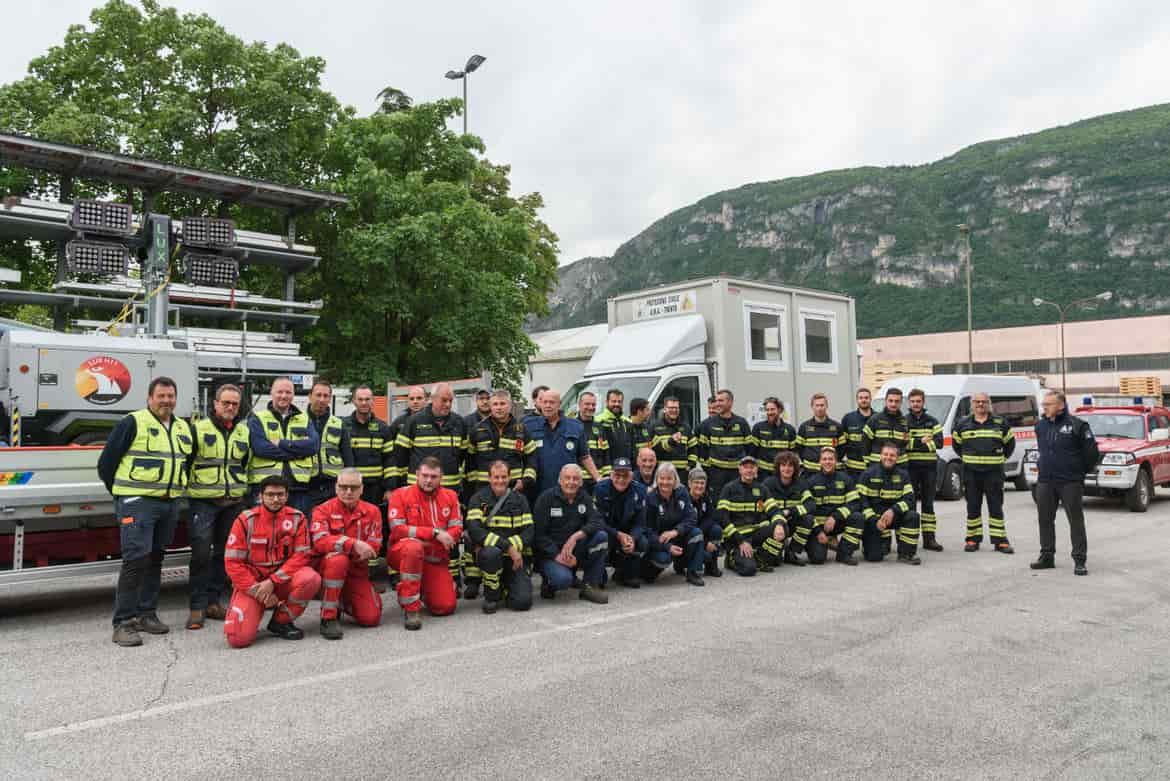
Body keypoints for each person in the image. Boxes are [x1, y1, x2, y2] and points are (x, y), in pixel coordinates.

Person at [98, 376, 195, 647]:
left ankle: (146, 614)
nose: (166, 401)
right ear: (150, 398)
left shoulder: (182, 428)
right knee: (135, 559)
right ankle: (123, 623)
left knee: (155, 558)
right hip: (138, 502)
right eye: (161, 396)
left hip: (169, 502)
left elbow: (185, 463)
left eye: (170, 396)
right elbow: (106, 463)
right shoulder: (133, 422)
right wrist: (124, 496)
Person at [223, 476, 321, 647]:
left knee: (311, 578)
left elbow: (301, 557)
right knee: (237, 640)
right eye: (270, 494)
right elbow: (232, 563)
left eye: (280, 494)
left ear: (287, 495)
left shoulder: (298, 519)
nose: (276, 499)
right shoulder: (245, 520)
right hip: (253, 585)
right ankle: (255, 610)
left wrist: (273, 581)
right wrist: (259, 592)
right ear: (261, 496)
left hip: (282, 580)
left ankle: (281, 621)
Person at [392, 382, 471, 590]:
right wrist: (397, 487)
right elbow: (400, 456)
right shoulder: (414, 422)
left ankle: (452, 577)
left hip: (449, 491)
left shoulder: (459, 423)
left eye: (450, 401)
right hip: (418, 492)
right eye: (444, 400)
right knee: (419, 535)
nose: (447, 404)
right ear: (432, 399)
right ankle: (415, 575)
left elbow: (463, 454)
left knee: (451, 534)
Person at [185, 383, 249, 630]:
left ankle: (214, 602)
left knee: (225, 555)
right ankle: (197, 607)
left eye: (234, 404)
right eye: (226, 403)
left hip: (233, 503)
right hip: (203, 502)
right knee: (200, 554)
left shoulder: (243, 432)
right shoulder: (197, 430)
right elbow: (185, 463)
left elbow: (246, 464)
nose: (230, 407)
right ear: (215, 404)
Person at [465, 390, 535, 598]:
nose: (498, 407)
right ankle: (473, 580)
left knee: (513, 529)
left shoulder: (522, 430)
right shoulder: (477, 429)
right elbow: (468, 460)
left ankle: (518, 571)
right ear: (489, 405)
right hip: (482, 489)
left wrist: (526, 479)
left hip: (513, 490)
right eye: (495, 404)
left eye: (503, 404)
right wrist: (472, 488)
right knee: (478, 536)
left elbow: (532, 458)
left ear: (510, 405)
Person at [386, 457, 462, 630]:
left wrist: (447, 536)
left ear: (441, 477)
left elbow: (456, 528)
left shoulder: (450, 496)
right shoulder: (400, 494)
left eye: (433, 476)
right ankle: (411, 608)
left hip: (435, 559)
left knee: (445, 607)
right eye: (425, 475)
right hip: (404, 554)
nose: (428, 480)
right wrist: (434, 534)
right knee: (414, 547)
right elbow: (398, 530)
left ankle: (421, 588)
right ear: (417, 475)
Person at [309, 467, 383, 640]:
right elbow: (320, 542)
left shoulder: (373, 511)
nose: (348, 492)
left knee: (371, 618)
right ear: (336, 488)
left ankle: (344, 600)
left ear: (362, 489)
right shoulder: (322, 510)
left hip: (356, 573)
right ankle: (328, 617)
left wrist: (339, 546)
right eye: (343, 487)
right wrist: (353, 544)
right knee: (338, 560)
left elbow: (374, 548)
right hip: (328, 568)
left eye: (354, 487)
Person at [1031, 390, 1099, 576]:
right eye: (1044, 404)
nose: (1045, 407)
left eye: (1049, 404)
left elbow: (1092, 455)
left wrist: (1077, 471)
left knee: (1075, 520)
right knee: (1045, 519)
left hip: (1070, 482)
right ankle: (1047, 556)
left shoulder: (1078, 426)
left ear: (1061, 405)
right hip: (1045, 480)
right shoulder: (1041, 426)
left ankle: (1079, 560)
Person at [532, 464, 609, 604]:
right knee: (563, 580)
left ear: (580, 482)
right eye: (567, 478)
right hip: (551, 554)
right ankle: (549, 582)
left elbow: (598, 521)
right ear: (560, 480)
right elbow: (538, 536)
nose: (571, 482)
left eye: (575, 479)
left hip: (574, 551)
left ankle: (590, 586)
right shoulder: (546, 498)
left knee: (601, 536)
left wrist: (577, 536)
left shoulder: (584, 497)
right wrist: (557, 556)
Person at [465, 460, 535, 612]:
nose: (500, 481)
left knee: (522, 603)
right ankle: (492, 595)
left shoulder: (520, 499)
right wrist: (508, 546)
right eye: (496, 477)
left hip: (514, 558)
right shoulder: (477, 499)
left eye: (504, 477)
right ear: (489, 478)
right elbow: (475, 530)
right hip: (491, 556)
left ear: (510, 477)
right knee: (491, 553)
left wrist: (512, 548)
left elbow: (529, 531)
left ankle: (506, 586)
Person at [952, 392, 1015, 554]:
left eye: (984, 402)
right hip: (971, 474)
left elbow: (1010, 445)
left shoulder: (1000, 423)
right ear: (972, 404)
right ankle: (973, 540)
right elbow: (957, 446)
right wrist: (970, 459)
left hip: (994, 473)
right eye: (977, 402)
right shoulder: (962, 423)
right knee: (973, 507)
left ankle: (1000, 541)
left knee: (996, 507)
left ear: (989, 404)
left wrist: (997, 459)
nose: (980, 404)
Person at [247, 376, 320, 514]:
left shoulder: (304, 419)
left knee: (298, 531)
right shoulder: (257, 418)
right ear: (271, 393)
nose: (284, 396)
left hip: (299, 489)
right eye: (280, 392)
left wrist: (281, 443)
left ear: (293, 395)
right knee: (263, 532)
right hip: (266, 489)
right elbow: (261, 449)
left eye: (288, 392)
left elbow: (313, 446)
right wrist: (299, 452)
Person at [525, 389, 600, 501]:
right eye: (544, 402)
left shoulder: (575, 426)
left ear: (560, 404)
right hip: (537, 490)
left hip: (568, 490)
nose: (547, 405)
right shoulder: (528, 425)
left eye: (551, 402)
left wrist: (598, 478)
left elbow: (584, 456)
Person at [718, 455, 786, 576]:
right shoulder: (729, 489)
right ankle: (731, 559)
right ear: (740, 470)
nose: (749, 470)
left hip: (755, 535)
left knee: (783, 527)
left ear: (756, 470)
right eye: (746, 467)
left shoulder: (762, 489)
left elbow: (774, 510)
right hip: (736, 538)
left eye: (752, 467)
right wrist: (740, 541)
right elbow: (722, 518)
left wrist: (779, 525)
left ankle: (760, 558)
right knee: (749, 570)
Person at [857, 442, 921, 564]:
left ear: (897, 458)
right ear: (880, 456)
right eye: (885, 454)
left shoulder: (903, 475)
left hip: (894, 516)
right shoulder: (867, 474)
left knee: (913, 516)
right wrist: (874, 519)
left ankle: (906, 554)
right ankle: (871, 547)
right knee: (874, 557)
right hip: (874, 519)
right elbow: (861, 501)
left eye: (892, 455)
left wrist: (893, 510)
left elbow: (910, 499)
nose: (888, 457)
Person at [643, 463, 705, 586]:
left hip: (676, 535)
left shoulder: (681, 492)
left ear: (675, 480)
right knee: (662, 561)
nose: (665, 482)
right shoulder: (650, 498)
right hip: (658, 541)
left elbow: (691, 517)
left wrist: (676, 531)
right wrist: (667, 547)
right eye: (662, 478)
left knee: (696, 533)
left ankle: (693, 572)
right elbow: (647, 531)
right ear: (656, 479)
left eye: (669, 478)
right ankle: (647, 570)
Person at [592, 456, 649, 588]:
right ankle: (599, 573)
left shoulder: (639, 490)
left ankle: (623, 573)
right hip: (607, 532)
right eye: (617, 475)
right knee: (600, 537)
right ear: (611, 475)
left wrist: (632, 538)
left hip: (627, 533)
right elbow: (597, 520)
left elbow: (640, 523)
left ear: (631, 476)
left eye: (625, 476)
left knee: (643, 543)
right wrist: (618, 534)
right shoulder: (600, 489)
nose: (621, 479)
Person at [806, 447, 864, 565]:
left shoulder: (846, 479)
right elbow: (807, 511)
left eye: (831, 459)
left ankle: (843, 554)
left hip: (837, 522)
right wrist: (818, 531)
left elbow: (854, 503)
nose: (828, 462)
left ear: (836, 461)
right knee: (817, 559)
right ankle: (821, 544)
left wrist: (835, 517)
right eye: (825, 459)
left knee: (857, 517)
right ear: (820, 462)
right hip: (818, 527)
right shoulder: (811, 482)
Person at [905, 388, 945, 552]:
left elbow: (940, 443)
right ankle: (911, 540)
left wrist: (914, 442)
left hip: (929, 469)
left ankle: (930, 540)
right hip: (910, 469)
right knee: (911, 506)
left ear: (923, 402)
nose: (916, 404)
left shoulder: (933, 421)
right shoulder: (904, 421)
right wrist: (924, 441)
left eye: (918, 401)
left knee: (928, 505)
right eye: (913, 401)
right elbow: (903, 443)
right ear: (909, 402)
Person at [304, 380, 353, 511]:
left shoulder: (338, 423)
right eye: (318, 395)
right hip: (306, 485)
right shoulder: (298, 421)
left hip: (332, 486)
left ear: (330, 398)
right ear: (310, 396)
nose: (322, 399)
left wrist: (348, 483)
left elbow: (347, 456)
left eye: (326, 396)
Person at [344, 384, 394, 507]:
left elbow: (390, 460)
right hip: (351, 487)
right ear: (354, 401)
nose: (364, 403)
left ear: (373, 401)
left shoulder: (383, 428)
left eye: (367, 399)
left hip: (376, 489)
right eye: (360, 399)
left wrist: (390, 488)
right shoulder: (343, 426)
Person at [696, 388, 752, 497]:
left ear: (730, 402)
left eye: (721, 401)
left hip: (737, 474)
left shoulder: (741, 423)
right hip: (716, 475)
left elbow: (749, 449)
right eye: (716, 401)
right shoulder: (708, 424)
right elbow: (703, 451)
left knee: (737, 503)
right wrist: (710, 472)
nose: (717, 404)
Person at [762, 451, 814, 567]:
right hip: (775, 524)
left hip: (791, 521)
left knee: (808, 519)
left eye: (790, 465)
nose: (787, 468)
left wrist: (791, 511)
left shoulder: (801, 484)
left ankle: (792, 552)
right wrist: (778, 517)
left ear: (795, 468)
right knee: (775, 562)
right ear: (778, 467)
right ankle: (777, 549)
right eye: (783, 465)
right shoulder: (768, 483)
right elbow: (762, 508)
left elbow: (810, 504)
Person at [385, 385, 427, 486]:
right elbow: (391, 452)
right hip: (403, 477)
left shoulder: (433, 421)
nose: (415, 401)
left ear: (426, 400)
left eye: (419, 398)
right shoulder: (399, 422)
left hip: (427, 475)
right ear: (408, 401)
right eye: (411, 399)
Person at [686, 468, 723, 577]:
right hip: (687, 538)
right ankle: (687, 568)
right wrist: (706, 542)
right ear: (689, 483)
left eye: (702, 483)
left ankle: (712, 567)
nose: (699, 486)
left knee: (716, 529)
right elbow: (688, 526)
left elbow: (712, 517)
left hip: (700, 532)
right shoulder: (685, 499)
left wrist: (704, 535)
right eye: (696, 482)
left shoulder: (705, 497)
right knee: (706, 555)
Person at [650, 395, 696, 479]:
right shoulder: (655, 427)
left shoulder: (686, 427)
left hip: (682, 474)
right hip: (662, 473)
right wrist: (671, 441)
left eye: (676, 408)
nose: (674, 410)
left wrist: (689, 466)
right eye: (671, 408)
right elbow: (655, 449)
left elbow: (694, 449)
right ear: (664, 409)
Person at [861, 387, 910, 467]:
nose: (893, 404)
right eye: (890, 401)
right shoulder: (875, 419)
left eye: (897, 401)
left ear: (901, 403)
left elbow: (906, 444)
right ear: (886, 401)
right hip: (877, 465)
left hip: (899, 466)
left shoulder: (904, 422)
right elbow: (865, 443)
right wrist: (868, 463)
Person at [751, 397, 797, 480]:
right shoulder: (758, 428)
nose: (769, 412)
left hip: (782, 475)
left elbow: (793, 455)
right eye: (767, 410)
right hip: (763, 475)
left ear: (779, 410)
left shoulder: (790, 430)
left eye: (772, 409)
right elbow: (752, 453)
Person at [796, 393, 843, 473]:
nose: (819, 408)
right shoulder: (804, 427)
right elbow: (799, 448)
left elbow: (842, 449)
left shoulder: (837, 427)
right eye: (817, 405)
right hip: (810, 472)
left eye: (822, 405)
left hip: (831, 472)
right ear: (812, 407)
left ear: (826, 406)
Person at [576, 391, 609, 490]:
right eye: (587, 404)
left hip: (599, 480)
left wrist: (607, 475)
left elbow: (606, 453)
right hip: (580, 481)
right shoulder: (572, 426)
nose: (591, 407)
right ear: (580, 405)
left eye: (593, 404)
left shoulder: (599, 426)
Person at [840, 388, 875, 479]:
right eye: (861, 398)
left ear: (870, 399)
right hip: (853, 470)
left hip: (874, 468)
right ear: (857, 400)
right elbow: (842, 444)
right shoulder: (848, 419)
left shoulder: (878, 418)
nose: (863, 400)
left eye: (866, 398)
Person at [596, 389, 635, 465]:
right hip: (607, 468)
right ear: (607, 402)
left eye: (619, 401)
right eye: (613, 401)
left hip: (626, 467)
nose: (617, 404)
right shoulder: (598, 421)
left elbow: (632, 447)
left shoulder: (628, 422)